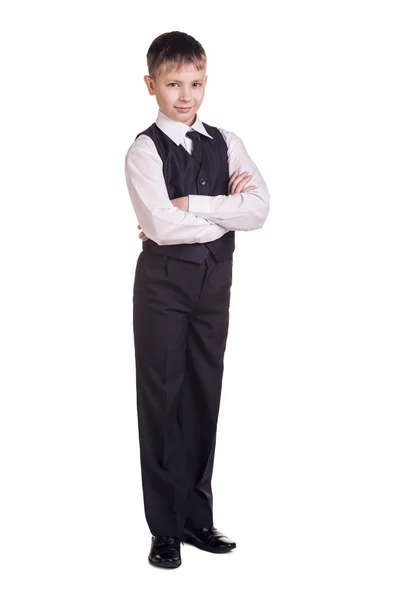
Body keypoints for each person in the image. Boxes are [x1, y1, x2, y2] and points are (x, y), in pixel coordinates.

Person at [124, 30, 270, 569]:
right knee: (162, 400)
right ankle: (164, 528)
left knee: (204, 396)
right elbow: (159, 226)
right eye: (173, 84)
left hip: (213, 286)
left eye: (196, 82)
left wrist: (192, 205)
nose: (186, 95)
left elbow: (258, 210)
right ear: (151, 85)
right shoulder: (145, 149)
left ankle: (196, 518)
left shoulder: (226, 141)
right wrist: (219, 211)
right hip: (163, 287)